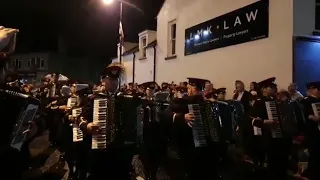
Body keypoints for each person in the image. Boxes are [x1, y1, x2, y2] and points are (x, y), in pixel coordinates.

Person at [77, 62, 133, 180]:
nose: (114, 82)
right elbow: (80, 118)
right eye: (110, 79)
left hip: (121, 151)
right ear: (103, 81)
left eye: (116, 80)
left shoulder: (125, 100)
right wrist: (87, 126)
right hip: (100, 150)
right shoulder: (93, 98)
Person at [166, 77, 219, 180]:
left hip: (207, 145)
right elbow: (167, 112)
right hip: (188, 142)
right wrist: (182, 117)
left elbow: (213, 126)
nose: (188, 91)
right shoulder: (182, 102)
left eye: (191, 89)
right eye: (188, 88)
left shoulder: (208, 103)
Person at [250, 77, 291, 180]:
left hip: (281, 137)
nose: (274, 89)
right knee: (273, 164)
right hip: (269, 137)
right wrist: (265, 122)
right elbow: (252, 120)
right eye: (271, 87)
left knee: (282, 162)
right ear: (264, 89)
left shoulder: (277, 101)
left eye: (274, 87)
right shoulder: (260, 102)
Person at [300, 81, 320, 180]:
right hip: (311, 132)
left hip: (317, 132)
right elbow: (303, 115)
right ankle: (312, 173)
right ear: (312, 90)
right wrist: (310, 117)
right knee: (314, 154)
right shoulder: (306, 101)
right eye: (318, 89)